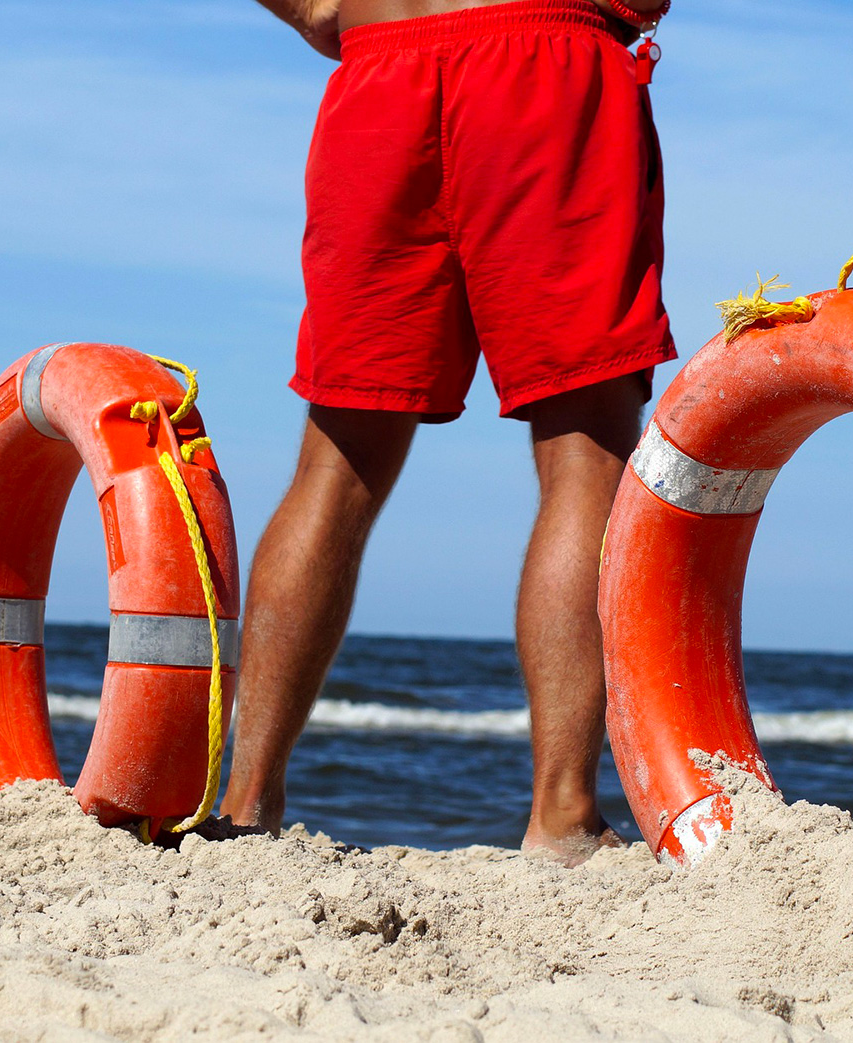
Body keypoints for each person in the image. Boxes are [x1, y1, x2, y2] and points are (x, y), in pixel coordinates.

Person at [223, 0, 675, 865]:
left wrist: (321, 10)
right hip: (546, 59)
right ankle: (562, 815)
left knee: (336, 462)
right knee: (587, 456)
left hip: (380, 65)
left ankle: (247, 808)